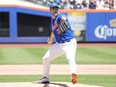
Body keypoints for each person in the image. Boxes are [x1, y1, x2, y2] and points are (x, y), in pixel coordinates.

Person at [36, 2, 77, 84]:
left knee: (70, 58)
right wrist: (50, 39)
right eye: (53, 8)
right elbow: (53, 32)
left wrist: (63, 20)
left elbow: (63, 18)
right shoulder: (52, 21)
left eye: (56, 8)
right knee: (45, 58)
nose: (55, 10)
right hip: (59, 44)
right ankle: (45, 77)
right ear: (50, 10)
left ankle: (73, 75)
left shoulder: (60, 16)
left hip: (69, 43)